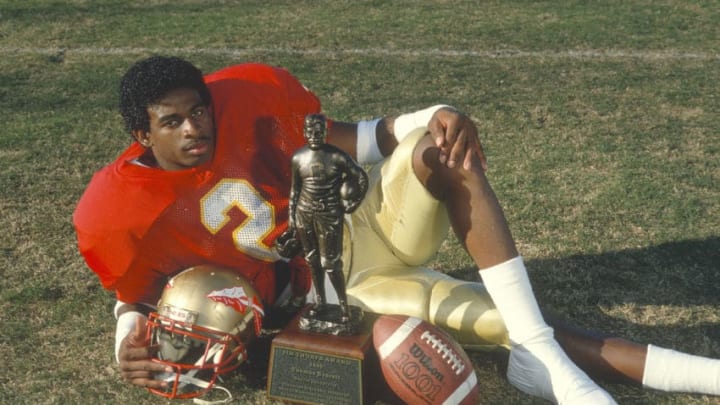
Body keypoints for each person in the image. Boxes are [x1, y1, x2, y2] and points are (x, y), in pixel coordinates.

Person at [73, 56, 720, 404]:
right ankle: (697, 374)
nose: (194, 129)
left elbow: (362, 138)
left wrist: (436, 113)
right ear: (141, 133)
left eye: (199, 112)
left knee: (439, 150)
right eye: (171, 121)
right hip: (333, 295)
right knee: (496, 324)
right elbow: (135, 289)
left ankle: (540, 352)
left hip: (367, 227)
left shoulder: (250, 98)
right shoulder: (116, 208)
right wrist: (127, 336)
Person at [286, 114, 368, 324]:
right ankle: (320, 303)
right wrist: (292, 219)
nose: (314, 135)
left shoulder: (338, 156)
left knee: (330, 263)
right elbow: (295, 191)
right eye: (310, 131)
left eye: (319, 131)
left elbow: (360, 177)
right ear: (304, 133)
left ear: (326, 132)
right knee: (311, 260)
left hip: (329, 214)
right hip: (305, 213)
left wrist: (353, 202)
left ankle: (343, 306)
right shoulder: (298, 158)